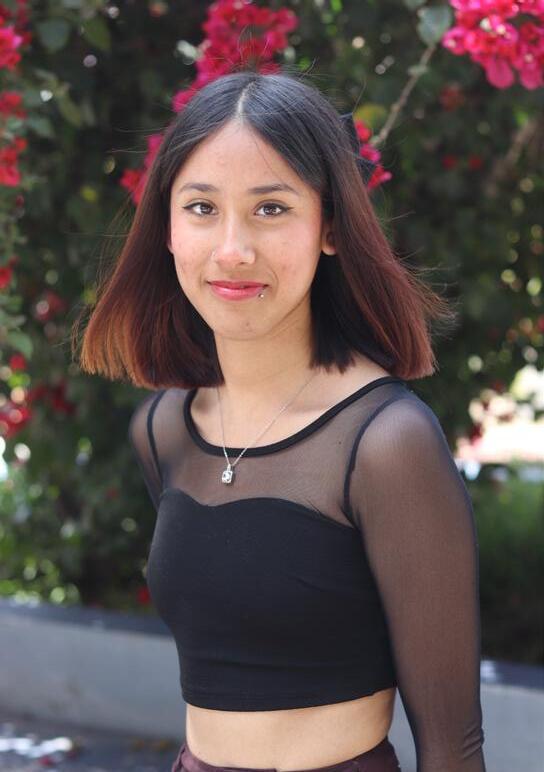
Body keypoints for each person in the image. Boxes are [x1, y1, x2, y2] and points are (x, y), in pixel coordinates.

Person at [73, 70, 486, 772]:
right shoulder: (165, 429)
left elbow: (454, 749)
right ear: (167, 229)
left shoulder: (386, 443)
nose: (232, 249)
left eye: (270, 208)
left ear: (331, 227)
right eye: (201, 208)